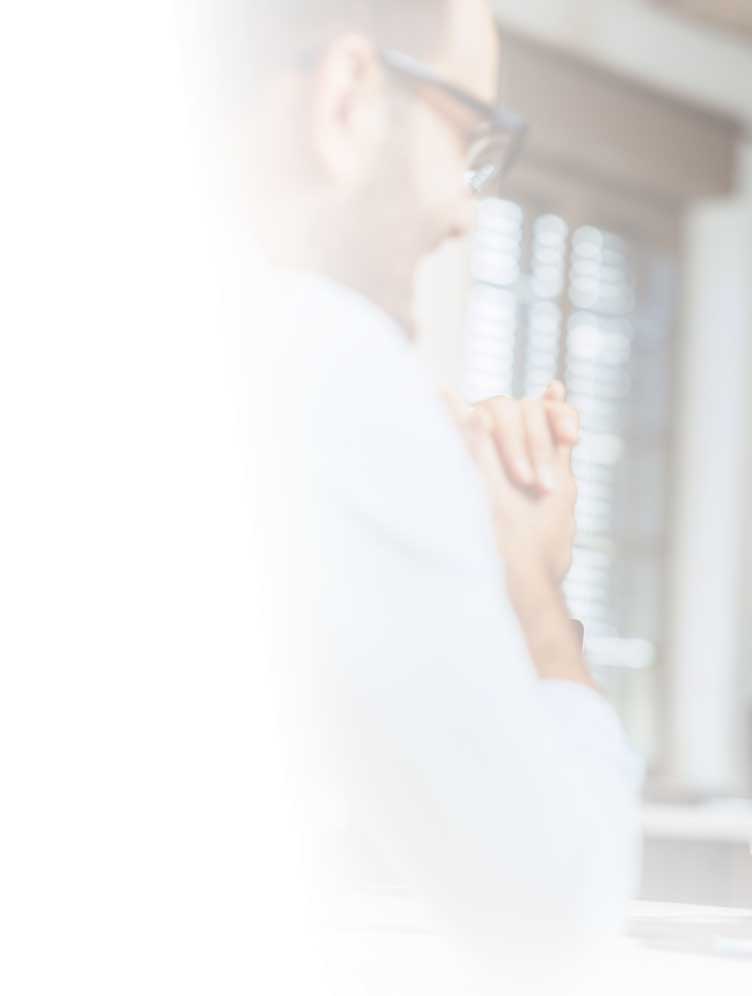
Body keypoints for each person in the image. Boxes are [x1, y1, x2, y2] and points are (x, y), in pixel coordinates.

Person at [207, 0, 642, 988]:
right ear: (347, 95)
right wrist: (526, 578)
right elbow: (552, 912)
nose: (464, 210)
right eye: (467, 138)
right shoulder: (313, 353)